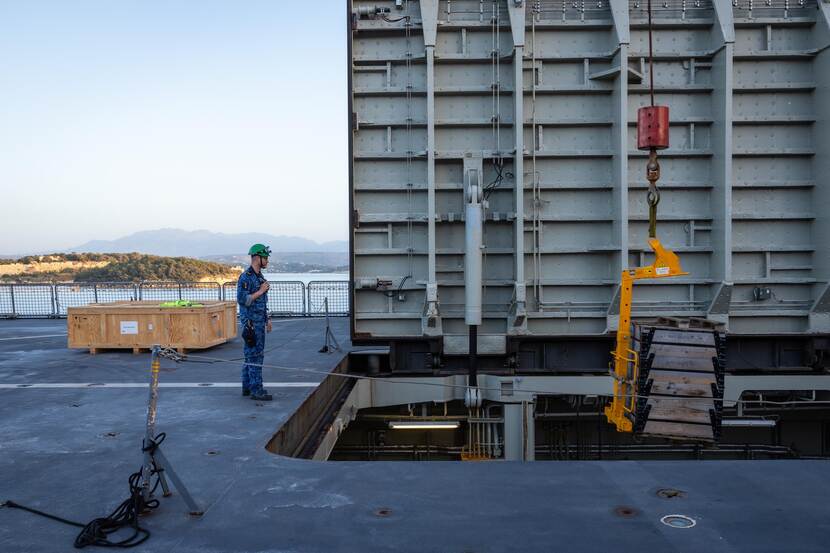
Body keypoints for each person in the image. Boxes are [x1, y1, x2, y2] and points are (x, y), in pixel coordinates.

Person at [236, 243, 273, 401]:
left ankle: (247, 387)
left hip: (259, 321)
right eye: (265, 258)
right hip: (251, 323)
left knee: (250, 356)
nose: (267, 261)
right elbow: (243, 300)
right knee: (255, 356)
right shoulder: (246, 277)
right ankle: (256, 390)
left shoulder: (259, 277)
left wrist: (267, 319)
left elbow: (262, 303)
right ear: (257, 258)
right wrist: (261, 291)